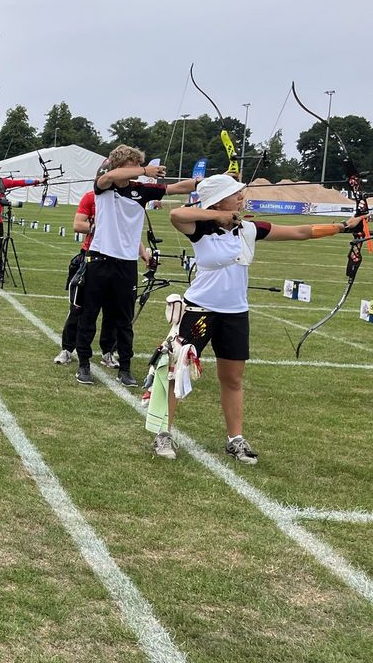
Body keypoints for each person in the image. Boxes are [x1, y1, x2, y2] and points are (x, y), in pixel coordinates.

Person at [150, 175, 366, 462]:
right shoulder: (199, 229)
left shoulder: (249, 229)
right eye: (234, 195)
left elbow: (301, 231)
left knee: (233, 378)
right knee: (177, 372)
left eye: (241, 194)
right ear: (217, 201)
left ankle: (235, 439)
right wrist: (219, 216)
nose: (241, 198)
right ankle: (163, 434)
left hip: (235, 313)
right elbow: (177, 213)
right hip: (199, 311)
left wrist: (341, 227)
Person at [73, 145, 196, 387]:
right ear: (122, 166)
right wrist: (144, 169)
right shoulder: (103, 186)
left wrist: (205, 182)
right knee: (89, 316)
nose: (137, 171)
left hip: (126, 264)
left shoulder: (142, 190)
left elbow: (175, 188)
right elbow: (109, 176)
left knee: (123, 319)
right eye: (133, 165)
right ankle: (84, 364)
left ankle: (125, 368)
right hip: (99, 259)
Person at [53, 191, 120, 366]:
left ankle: (108, 352)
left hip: (116, 258)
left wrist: (143, 252)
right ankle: (67, 349)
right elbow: (78, 225)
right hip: (91, 257)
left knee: (112, 310)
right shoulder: (92, 197)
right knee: (78, 307)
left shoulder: (124, 198)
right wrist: (101, 226)